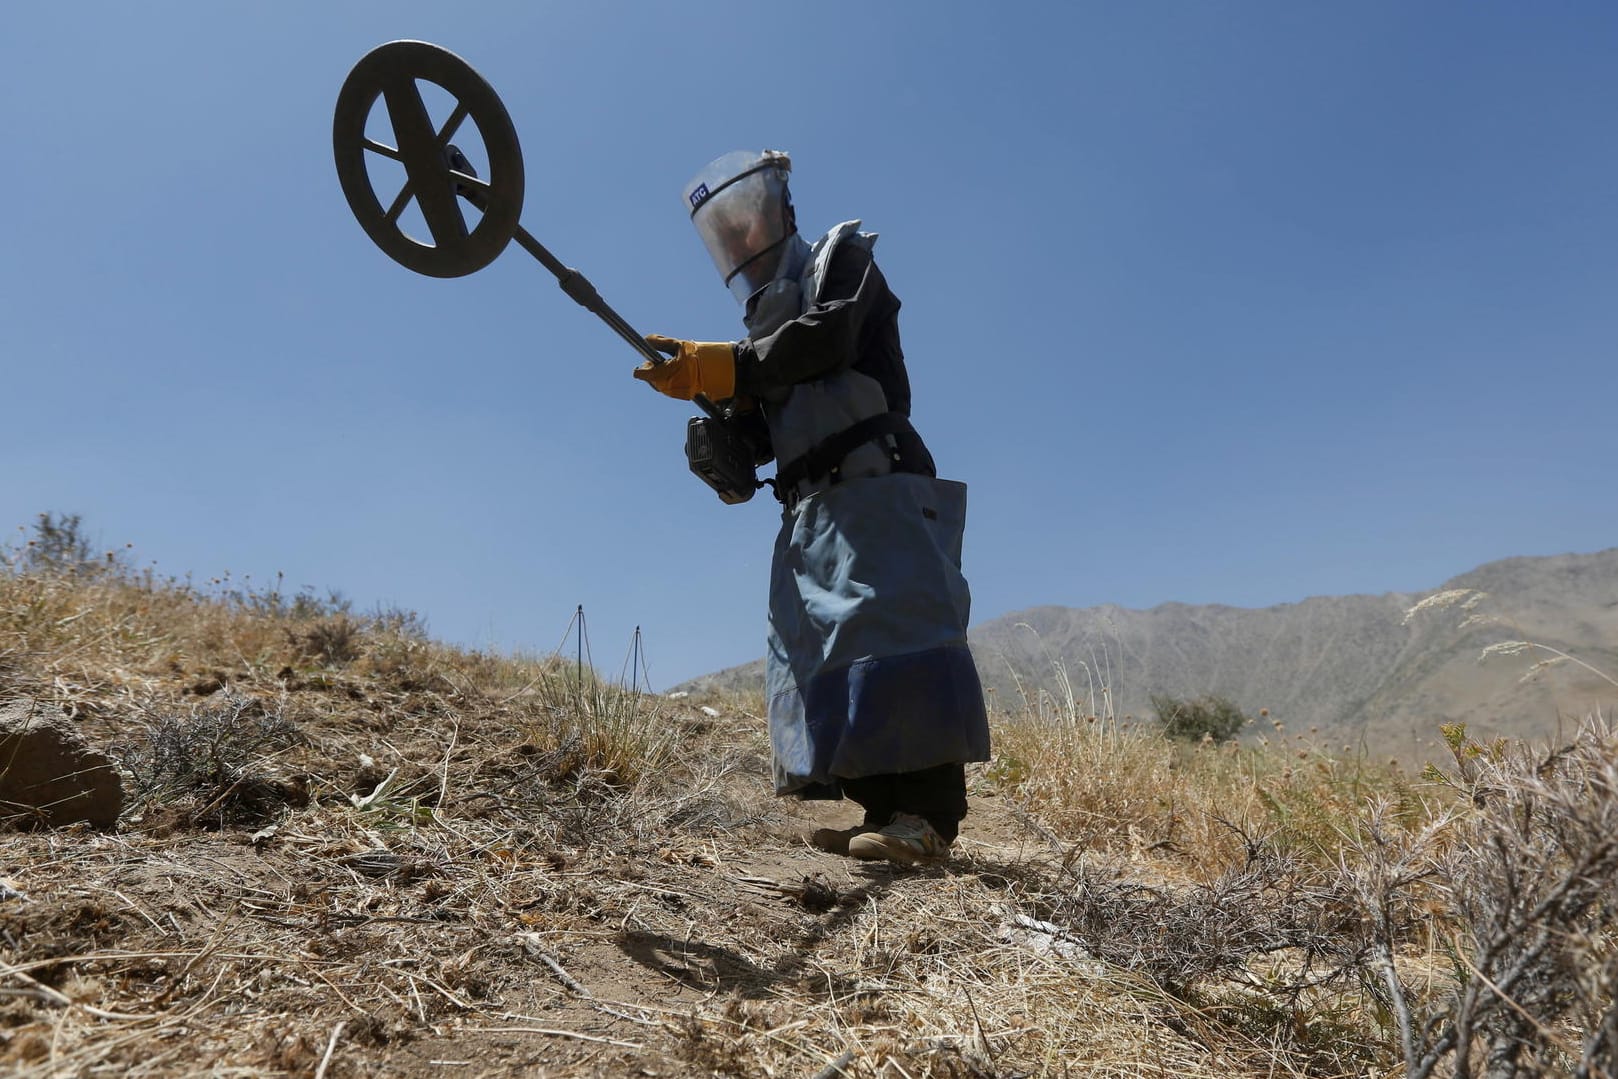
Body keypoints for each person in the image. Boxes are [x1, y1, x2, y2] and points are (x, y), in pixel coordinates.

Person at [633, 150, 990, 865]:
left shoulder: (843, 261)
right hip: (814, 511)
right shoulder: (764, 332)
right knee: (838, 645)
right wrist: (724, 436)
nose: (740, 242)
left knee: (898, 629)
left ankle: (928, 819)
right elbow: (765, 434)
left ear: (781, 213)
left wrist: (732, 366)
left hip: (877, 484)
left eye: (747, 223)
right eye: (724, 236)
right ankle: (885, 811)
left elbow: (827, 338)